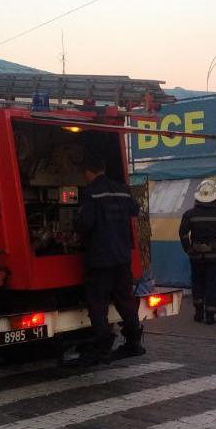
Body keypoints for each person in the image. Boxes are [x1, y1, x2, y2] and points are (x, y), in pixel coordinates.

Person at [73, 151, 144, 365]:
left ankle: (102, 347)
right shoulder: (122, 190)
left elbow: (86, 223)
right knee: (125, 300)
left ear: (88, 172)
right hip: (122, 257)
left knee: (98, 304)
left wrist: (75, 232)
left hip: (100, 259)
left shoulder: (91, 192)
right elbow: (135, 210)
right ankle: (134, 342)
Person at [178, 179, 216, 325]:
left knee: (197, 283)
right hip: (215, 256)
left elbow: (183, 233)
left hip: (196, 255)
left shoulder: (190, 214)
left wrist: (188, 248)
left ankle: (198, 313)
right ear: (214, 196)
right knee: (212, 284)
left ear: (198, 196)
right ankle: (210, 315)